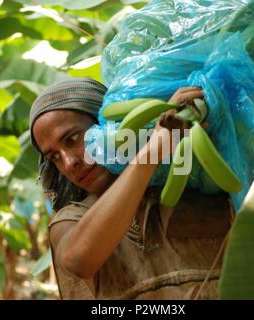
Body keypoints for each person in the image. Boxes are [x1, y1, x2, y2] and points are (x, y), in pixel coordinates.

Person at [29, 77, 236, 299]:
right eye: (55, 157)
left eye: (72, 139)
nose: (69, 163)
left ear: (106, 123)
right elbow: (80, 260)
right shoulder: (71, 219)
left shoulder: (192, 179)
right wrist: (153, 149)